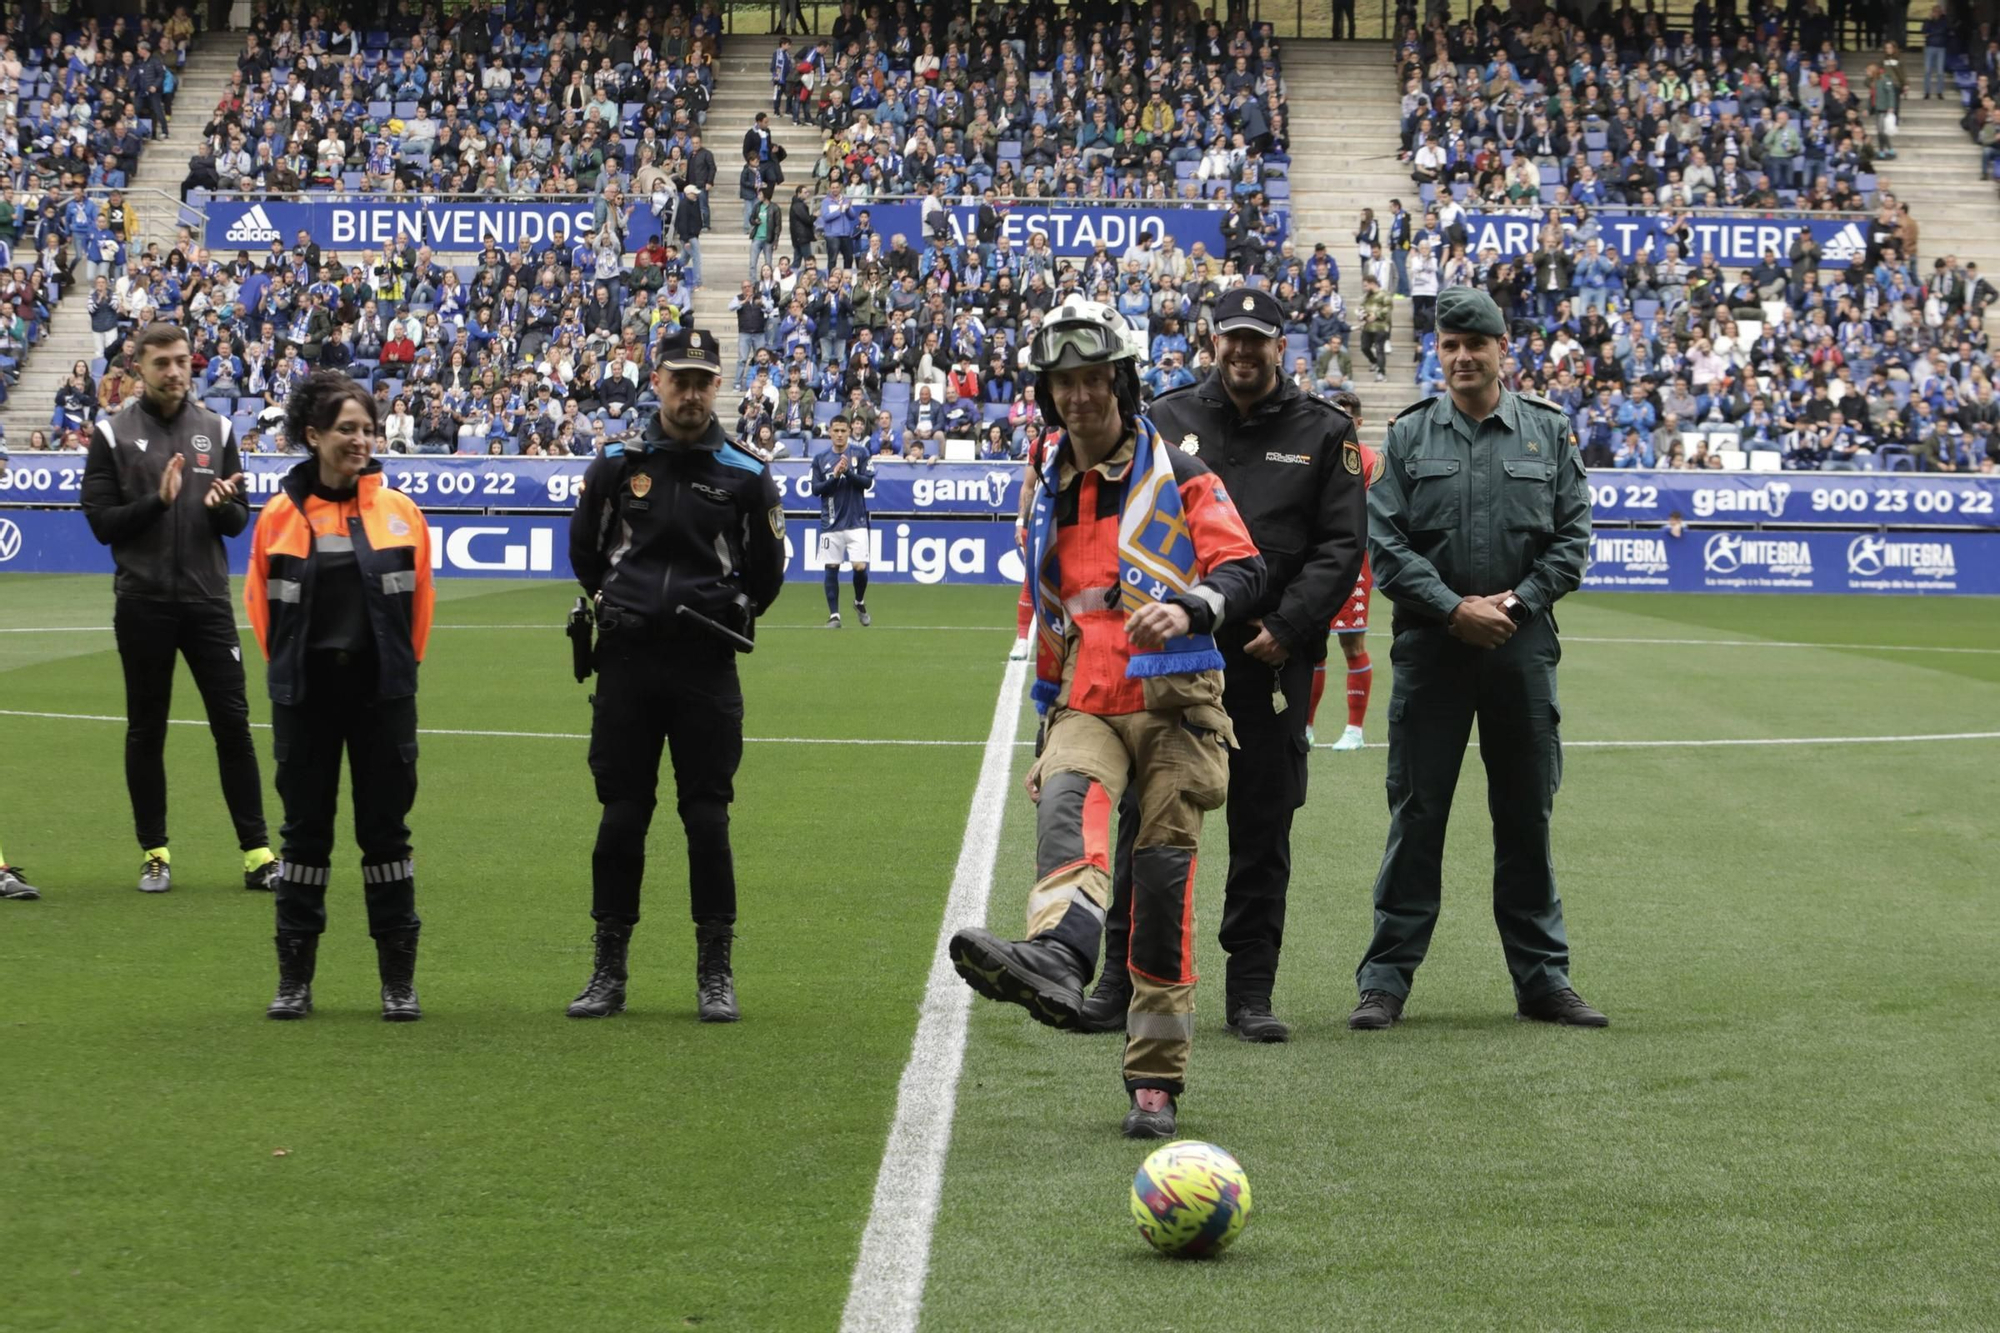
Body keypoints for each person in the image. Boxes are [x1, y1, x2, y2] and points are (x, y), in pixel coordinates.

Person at [948, 298, 1266, 1139]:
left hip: (1175, 706)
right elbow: (1057, 611)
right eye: (1064, 383)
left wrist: (1193, 605)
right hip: (1089, 694)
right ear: (1048, 392)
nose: (1080, 397)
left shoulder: (1180, 474)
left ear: (1120, 382)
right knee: (1065, 799)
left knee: (1161, 891)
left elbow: (1245, 567)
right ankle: (1057, 951)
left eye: (1094, 379)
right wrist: (1045, 726)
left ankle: (1154, 1081)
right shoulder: (1050, 483)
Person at [1093, 288, 1366, 1043]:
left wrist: (1287, 625)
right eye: (1232, 340)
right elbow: (1126, 524)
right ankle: (1118, 979)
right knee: (1147, 824)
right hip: (1178, 658)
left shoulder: (1325, 431)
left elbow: (1341, 548)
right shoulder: (1167, 420)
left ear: (1282, 347)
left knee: (1262, 827)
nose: (1244, 353)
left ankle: (1250, 992)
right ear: (1212, 342)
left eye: (1260, 341)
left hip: (1268, 661)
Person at [1352, 287, 1606, 1031]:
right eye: (1451, 344)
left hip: (1521, 655)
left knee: (1526, 815)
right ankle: (1385, 981)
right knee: (1417, 814)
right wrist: (1453, 609)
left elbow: (1572, 542)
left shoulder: (1547, 434)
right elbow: (1386, 545)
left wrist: (1514, 607)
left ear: (1503, 350)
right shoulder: (1407, 437)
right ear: (1440, 352)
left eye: (1477, 343)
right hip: (1432, 651)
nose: (1463, 356)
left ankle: (1542, 980)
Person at [566, 328, 786, 1023]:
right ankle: (608, 969)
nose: (690, 392)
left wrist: (725, 610)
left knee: (707, 820)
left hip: (704, 666)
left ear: (718, 385)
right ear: (655, 380)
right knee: (621, 818)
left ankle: (715, 972)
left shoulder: (745, 474)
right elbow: (586, 553)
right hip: (628, 663)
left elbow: (768, 572)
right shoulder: (614, 464)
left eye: (702, 380)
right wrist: (625, 605)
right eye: (678, 378)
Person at [244, 372, 435, 1021]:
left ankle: (397, 983)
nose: (360, 440)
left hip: (381, 697)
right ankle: (294, 981)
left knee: (386, 835)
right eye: (346, 429)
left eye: (366, 428)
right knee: (304, 838)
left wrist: (395, 675)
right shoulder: (278, 515)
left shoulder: (400, 511)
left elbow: (421, 611)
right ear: (313, 436)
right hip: (307, 699)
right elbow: (260, 609)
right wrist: (297, 676)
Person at [79, 322, 278, 895]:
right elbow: (100, 524)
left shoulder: (216, 428)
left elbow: (239, 520)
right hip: (141, 603)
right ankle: (155, 852)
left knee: (233, 727)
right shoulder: (111, 435)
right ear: (136, 367)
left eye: (182, 361)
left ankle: (258, 854)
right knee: (147, 728)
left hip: (207, 602)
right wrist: (156, 502)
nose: (174, 372)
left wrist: (221, 509)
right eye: (161, 362)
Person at [1308, 389, 1385, 752]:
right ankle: (1305, 726)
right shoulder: (1315, 454)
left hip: (1353, 562)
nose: (1342, 422)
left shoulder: (1370, 461)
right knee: (1312, 644)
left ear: (1358, 421)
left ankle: (1354, 729)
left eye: (1348, 417)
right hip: (1313, 560)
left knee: (1352, 643)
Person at [811, 415, 874, 626]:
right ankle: (834, 615)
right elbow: (816, 489)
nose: (839, 435)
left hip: (856, 520)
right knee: (831, 566)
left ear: (849, 431)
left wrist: (848, 472)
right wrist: (835, 476)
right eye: (835, 430)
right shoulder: (820, 459)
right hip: (831, 522)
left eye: (843, 431)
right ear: (830, 432)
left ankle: (859, 601)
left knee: (859, 566)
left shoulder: (861, 453)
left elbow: (867, 482)